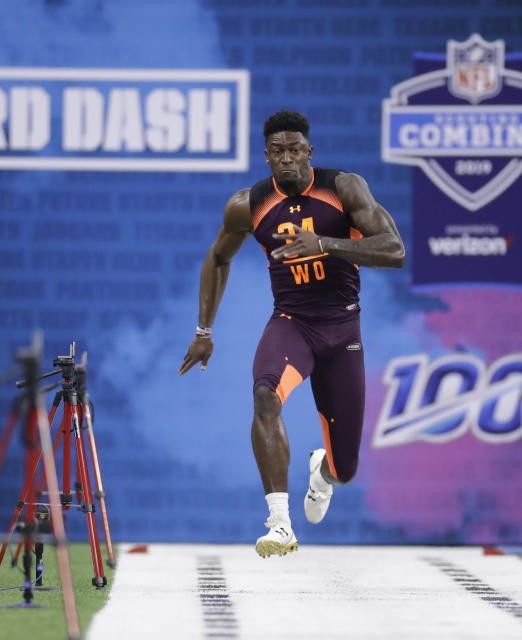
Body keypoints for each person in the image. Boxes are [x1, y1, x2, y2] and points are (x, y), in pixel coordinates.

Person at [178, 110, 405, 557]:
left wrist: (326, 243)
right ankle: (279, 523)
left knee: (346, 468)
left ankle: (323, 474)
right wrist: (204, 329)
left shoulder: (344, 188)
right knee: (264, 393)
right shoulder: (248, 203)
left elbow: (394, 250)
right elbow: (218, 257)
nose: (287, 159)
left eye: (295, 150)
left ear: (309, 152)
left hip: (342, 329)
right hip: (292, 323)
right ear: (266, 157)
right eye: (277, 151)